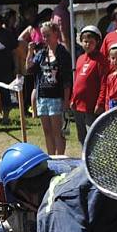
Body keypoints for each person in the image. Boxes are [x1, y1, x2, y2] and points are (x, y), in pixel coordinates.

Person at [27, 21, 72, 155]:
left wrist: (66, 102)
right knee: (47, 131)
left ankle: (60, 158)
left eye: (48, 35)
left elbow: (67, 80)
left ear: (56, 34)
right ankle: (51, 157)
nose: (45, 38)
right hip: (43, 97)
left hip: (56, 97)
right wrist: (30, 52)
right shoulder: (41, 53)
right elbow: (29, 69)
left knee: (58, 131)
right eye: (43, 36)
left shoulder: (62, 53)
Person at [70, 25, 107, 145]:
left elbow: (103, 82)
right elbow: (76, 81)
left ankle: (93, 161)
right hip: (78, 105)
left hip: (91, 106)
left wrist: (100, 103)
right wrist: (72, 99)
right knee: (81, 137)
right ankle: (83, 159)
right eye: (85, 41)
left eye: (91, 42)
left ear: (97, 42)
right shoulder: (80, 58)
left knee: (92, 137)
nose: (87, 44)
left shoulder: (101, 60)